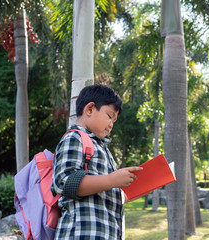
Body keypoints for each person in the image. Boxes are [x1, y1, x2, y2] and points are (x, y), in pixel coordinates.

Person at [51, 84, 143, 239]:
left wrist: (139, 187)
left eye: (114, 120)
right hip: (81, 234)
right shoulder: (75, 137)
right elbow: (64, 182)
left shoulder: (103, 148)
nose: (111, 124)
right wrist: (111, 179)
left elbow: (105, 191)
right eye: (109, 116)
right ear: (90, 109)